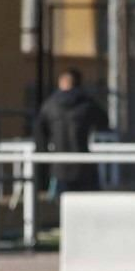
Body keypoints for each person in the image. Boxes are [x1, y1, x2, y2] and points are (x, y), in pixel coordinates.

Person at [33, 67, 108, 197]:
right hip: (84, 166)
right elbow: (104, 122)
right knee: (89, 207)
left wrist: (44, 156)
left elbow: (39, 132)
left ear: (61, 83)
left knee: (59, 210)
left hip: (59, 167)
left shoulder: (49, 105)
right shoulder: (88, 104)